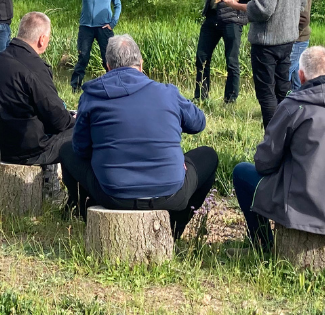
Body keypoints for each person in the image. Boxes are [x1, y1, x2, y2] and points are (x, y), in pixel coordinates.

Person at [60, 34, 216, 239]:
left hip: (113, 194)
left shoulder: (91, 95)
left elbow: (80, 148)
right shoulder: (167, 92)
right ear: (141, 64)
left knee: (66, 148)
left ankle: (81, 211)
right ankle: (176, 227)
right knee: (209, 156)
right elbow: (198, 123)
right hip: (171, 193)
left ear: (108, 66)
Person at [231, 46, 325, 250]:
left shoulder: (292, 106)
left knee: (242, 172)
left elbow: (265, 163)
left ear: (301, 77)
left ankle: (263, 245)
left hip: (305, 208)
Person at [219, 0, 307, 127]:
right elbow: (301, 5)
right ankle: (286, 133)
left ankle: (272, 138)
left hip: (267, 43)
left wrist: (235, 5)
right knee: (282, 90)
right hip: (288, 40)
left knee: (266, 93)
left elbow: (262, 10)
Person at [0, 12, 72, 201]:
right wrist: (75, 119)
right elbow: (59, 120)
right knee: (83, 131)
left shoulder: (0, 59)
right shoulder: (34, 67)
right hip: (26, 150)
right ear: (42, 39)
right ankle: (63, 195)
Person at [67, 0, 121, 92]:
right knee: (83, 57)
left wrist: (113, 22)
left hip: (104, 27)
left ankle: (114, 87)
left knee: (108, 57)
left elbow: (118, 5)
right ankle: (75, 88)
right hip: (86, 27)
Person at [286, 0, 313, 92]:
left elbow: (304, 18)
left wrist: (292, 36)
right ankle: (300, 102)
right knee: (296, 75)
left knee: (285, 73)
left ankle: (281, 105)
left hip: (298, 39)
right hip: (296, 37)